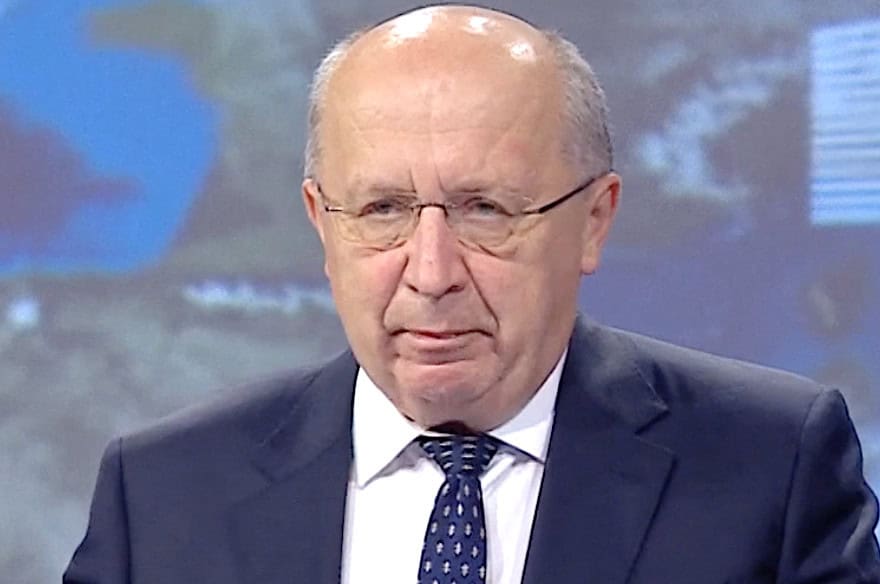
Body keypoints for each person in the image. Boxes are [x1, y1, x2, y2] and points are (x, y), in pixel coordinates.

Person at [64, 4, 880, 583]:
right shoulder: (164, 494)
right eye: (381, 210)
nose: (430, 271)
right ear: (321, 222)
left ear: (594, 221)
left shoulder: (774, 466)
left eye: (485, 210)